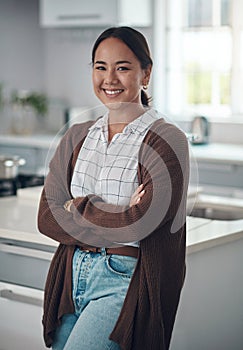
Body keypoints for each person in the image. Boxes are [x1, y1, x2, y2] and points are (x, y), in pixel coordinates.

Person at [38, 26, 190, 350]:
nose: (110, 79)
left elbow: (142, 223)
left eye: (122, 67)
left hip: (122, 280)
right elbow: (46, 217)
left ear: (145, 74)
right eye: (100, 67)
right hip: (71, 274)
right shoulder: (77, 135)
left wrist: (76, 206)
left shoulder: (166, 140)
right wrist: (121, 214)